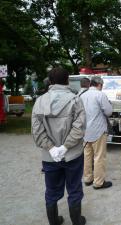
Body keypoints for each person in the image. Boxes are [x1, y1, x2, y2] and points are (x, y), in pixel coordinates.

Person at [31, 67, 86, 225]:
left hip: (50, 156)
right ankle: (77, 220)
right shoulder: (76, 100)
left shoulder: (39, 101)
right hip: (73, 154)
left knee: (51, 190)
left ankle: (54, 221)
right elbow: (79, 128)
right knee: (74, 187)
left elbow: (37, 131)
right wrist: (66, 147)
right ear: (67, 80)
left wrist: (52, 148)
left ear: (50, 81)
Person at [80, 76, 113, 189]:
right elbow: (108, 112)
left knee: (87, 155)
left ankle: (87, 178)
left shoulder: (83, 95)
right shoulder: (100, 95)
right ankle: (99, 182)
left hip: (85, 130)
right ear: (100, 84)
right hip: (98, 130)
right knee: (99, 156)